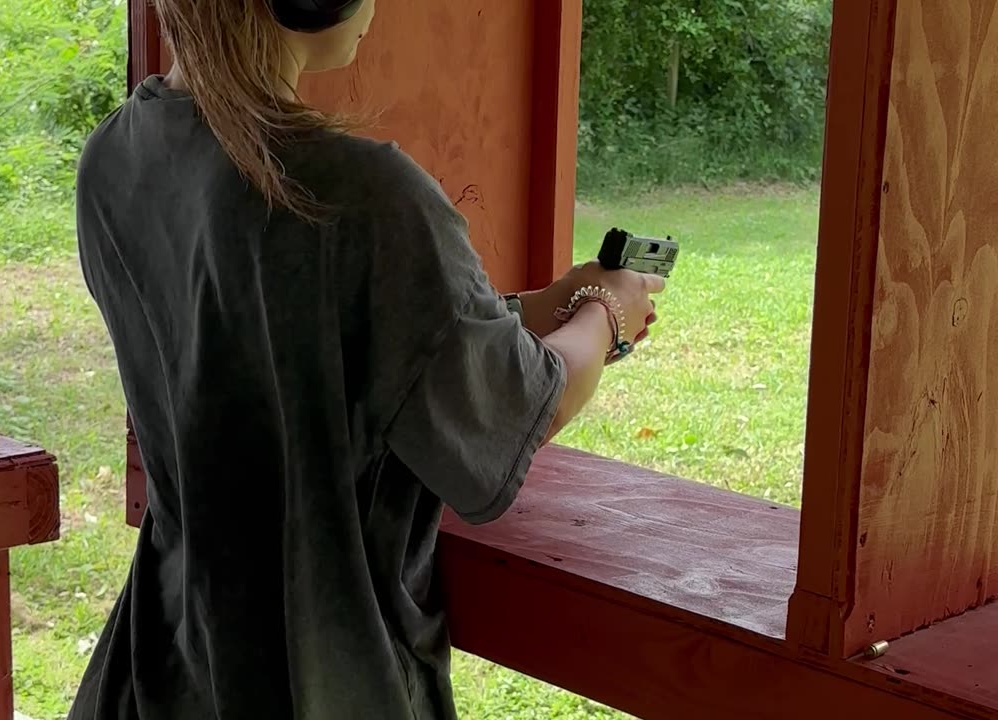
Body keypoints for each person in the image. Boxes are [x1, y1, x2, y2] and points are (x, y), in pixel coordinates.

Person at [68, 0, 663, 718]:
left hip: (163, 661)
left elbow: (291, 327)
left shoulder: (117, 156)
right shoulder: (358, 194)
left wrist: (539, 304)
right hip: (330, 675)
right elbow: (525, 405)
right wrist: (607, 311)